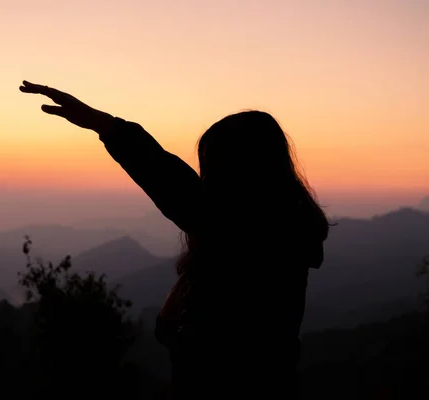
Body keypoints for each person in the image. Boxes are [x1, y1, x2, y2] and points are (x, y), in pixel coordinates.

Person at [19, 80, 329, 399]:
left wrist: (105, 126)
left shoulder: (251, 232)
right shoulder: (277, 229)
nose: (204, 180)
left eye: (212, 170)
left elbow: (171, 181)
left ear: (244, 171)